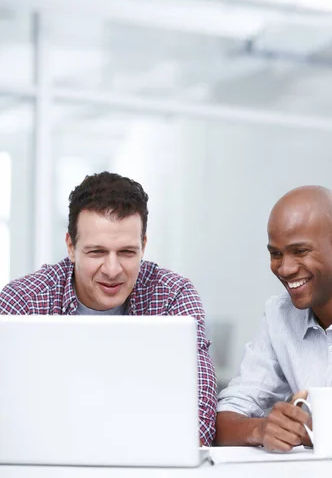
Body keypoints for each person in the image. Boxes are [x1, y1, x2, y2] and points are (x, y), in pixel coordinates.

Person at [0, 171, 217, 446]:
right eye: (97, 252)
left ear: (143, 246)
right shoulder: (23, 301)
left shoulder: (173, 296)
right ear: (70, 246)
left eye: (127, 252)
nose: (112, 270)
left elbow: (202, 410)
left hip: (147, 458)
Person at [216, 185, 332, 454]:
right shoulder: (279, 315)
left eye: (300, 251)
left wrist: (305, 431)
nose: (285, 268)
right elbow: (225, 417)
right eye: (276, 253)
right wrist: (262, 429)